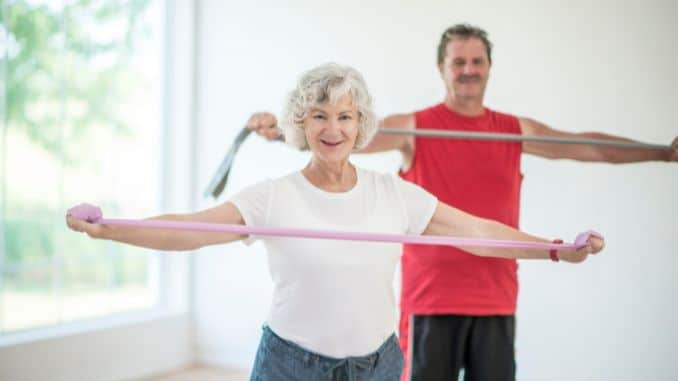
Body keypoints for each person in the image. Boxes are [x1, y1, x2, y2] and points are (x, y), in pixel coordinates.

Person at [68, 63, 604, 381]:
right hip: (290, 365)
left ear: (360, 124)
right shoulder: (275, 196)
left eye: (345, 116)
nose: (333, 128)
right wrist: (110, 226)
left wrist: (554, 248)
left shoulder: (392, 193)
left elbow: (479, 232)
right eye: (320, 115)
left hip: (376, 366)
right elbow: (190, 229)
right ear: (302, 123)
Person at [245, 25, 677, 381]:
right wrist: (284, 130)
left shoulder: (512, 129)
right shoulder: (416, 128)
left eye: (477, 61)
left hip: (495, 298)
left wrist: (661, 151)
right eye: (459, 61)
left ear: (488, 68)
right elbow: (338, 134)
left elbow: (587, 148)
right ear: (442, 68)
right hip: (430, 302)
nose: (468, 70)